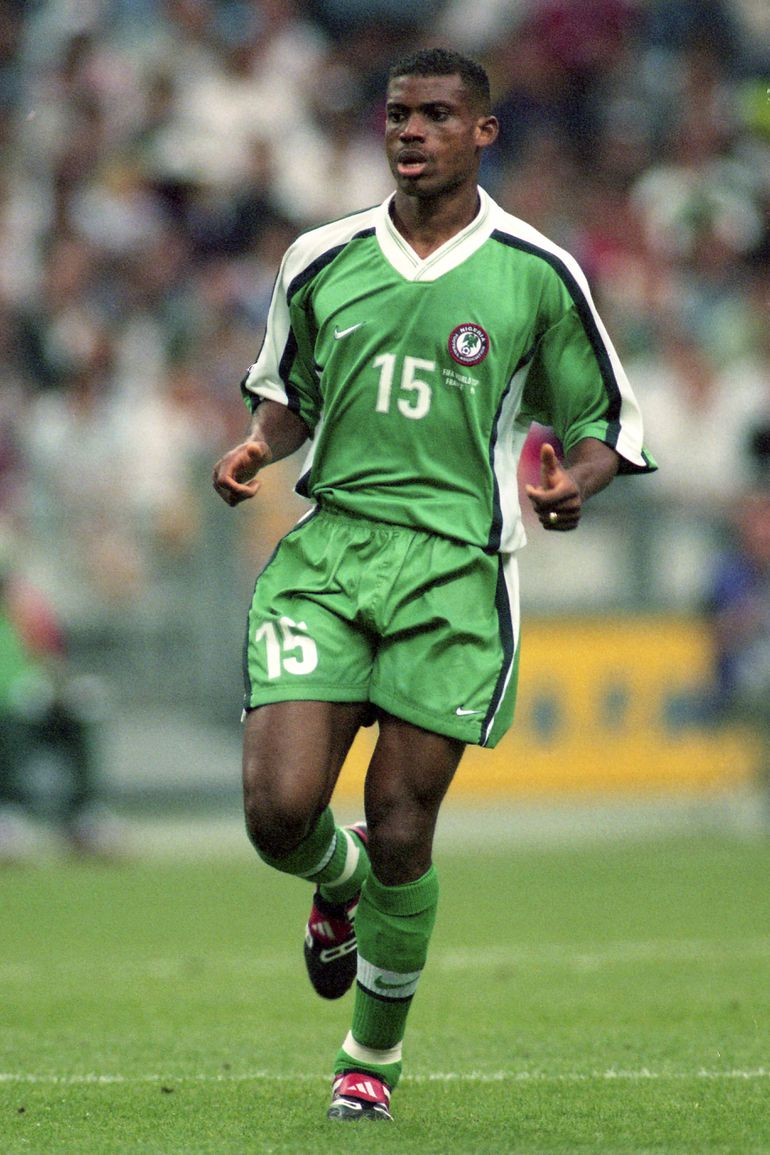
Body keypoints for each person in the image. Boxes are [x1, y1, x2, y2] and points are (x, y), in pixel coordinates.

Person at [212, 46, 656, 1123]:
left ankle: (370, 1059)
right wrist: (261, 445)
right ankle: (338, 882)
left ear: (483, 132)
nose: (411, 132)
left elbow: (603, 422)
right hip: (330, 555)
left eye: (437, 115)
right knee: (278, 812)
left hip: (456, 571)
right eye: (398, 115)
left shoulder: (535, 271)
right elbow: (290, 394)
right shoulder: (320, 258)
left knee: (403, 823)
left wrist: (574, 482)